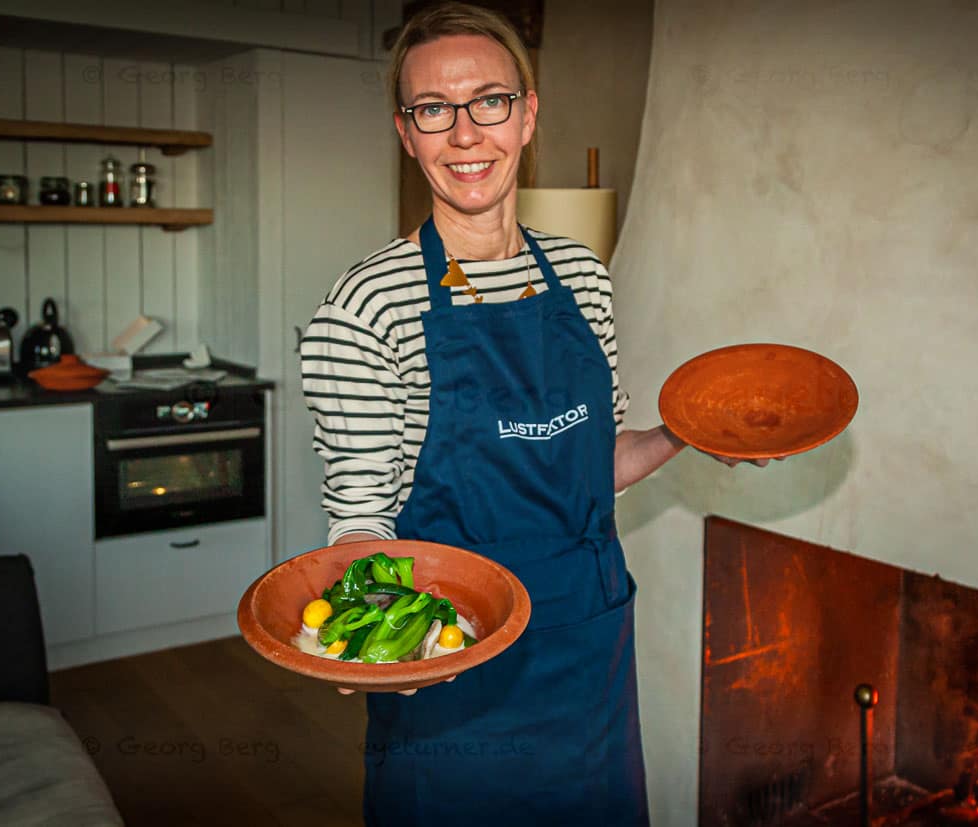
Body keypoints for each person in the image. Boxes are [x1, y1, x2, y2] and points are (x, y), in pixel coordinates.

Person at [301, 3, 769, 823]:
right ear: (407, 135)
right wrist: (386, 640)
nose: (465, 134)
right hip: (453, 655)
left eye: (489, 101)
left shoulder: (583, 276)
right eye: (433, 111)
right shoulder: (364, 303)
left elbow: (591, 468)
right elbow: (360, 520)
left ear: (527, 115)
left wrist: (682, 435)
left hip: (587, 646)